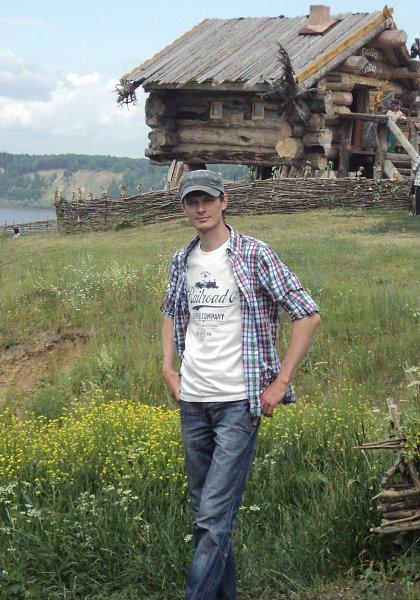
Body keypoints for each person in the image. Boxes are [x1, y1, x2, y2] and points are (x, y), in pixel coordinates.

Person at [161, 170, 320, 600]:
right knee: (207, 518)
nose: (200, 208)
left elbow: (307, 314)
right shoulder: (182, 260)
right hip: (193, 400)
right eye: (192, 202)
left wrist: (281, 381)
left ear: (224, 201)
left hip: (238, 403)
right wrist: (168, 369)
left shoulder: (254, 254)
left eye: (207, 200)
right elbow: (171, 311)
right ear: (184, 207)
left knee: (212, 519)